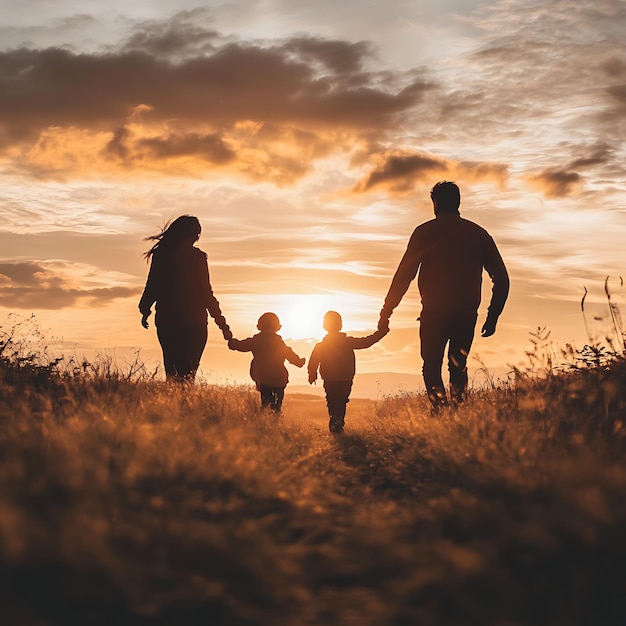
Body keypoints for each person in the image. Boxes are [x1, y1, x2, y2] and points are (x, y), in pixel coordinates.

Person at [378, 181, 509, 412]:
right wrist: (493, 316)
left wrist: (386, 312)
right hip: (466, 315)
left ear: (435, 203)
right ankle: (457, 414)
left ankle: (440, 411)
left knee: (431, 367)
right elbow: (502, 278)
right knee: (458, 367)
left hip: (434, 314)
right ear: (458, 202)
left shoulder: (424, 232)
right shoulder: (478, 233)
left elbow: (403, 276)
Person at [139, 215, 232, 381]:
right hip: (194, 322)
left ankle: (173, 404)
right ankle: (184, 404)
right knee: (189, 373)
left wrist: (145, 308)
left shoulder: (161, 255)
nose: (197, 238)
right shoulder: (198, 258)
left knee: (172, 371)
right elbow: (206, 292)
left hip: (167, 321)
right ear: (191, 234)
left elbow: (153, 284)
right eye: (197, 234)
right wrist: (222, 323)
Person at [308, 311, 388, 434]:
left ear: (324, 326)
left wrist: (312, 374)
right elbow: (367, 342)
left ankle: (335, 423)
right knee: (341, 400)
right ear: (340, 325)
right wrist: (381, 333)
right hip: (345, 378)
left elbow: (313, 361)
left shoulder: (321, 345)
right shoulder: (347, 342)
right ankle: (337, 423)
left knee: (332, 400)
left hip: (329, 379)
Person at [228, 312, 305, 412]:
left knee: (266, 404)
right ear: (278, 327)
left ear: (259, 326)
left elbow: (242, 345)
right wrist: (299, 362)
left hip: (264, 379)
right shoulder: (279, 343)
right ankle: (276, 418)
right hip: (280, 380)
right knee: (277, 406)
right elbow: (289, 354)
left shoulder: (256, 341)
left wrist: (233, 343)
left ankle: (265, 422)